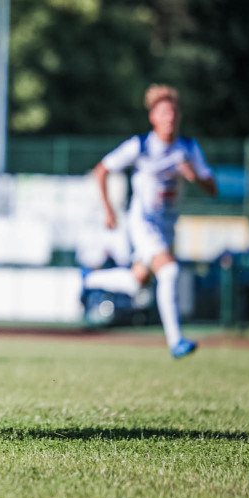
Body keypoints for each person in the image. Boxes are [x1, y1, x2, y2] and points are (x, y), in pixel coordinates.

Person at [92, 84, 217, 358]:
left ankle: (90, 279)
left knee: (139, 280)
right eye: (163, 113)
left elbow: (213, 188)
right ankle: (176, 342)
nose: (169, 118)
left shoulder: (188, 148)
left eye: (173, 112)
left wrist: (194, 175)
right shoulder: (142, 145)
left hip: (168, 226)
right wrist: (109, 210)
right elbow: (101, 171)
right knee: (169, 272)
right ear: (153, 117)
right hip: (143, 223)